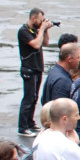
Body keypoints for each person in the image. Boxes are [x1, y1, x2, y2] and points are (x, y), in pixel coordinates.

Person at [18, 8, 53, 137]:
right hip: (29, 68)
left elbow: (45, 43)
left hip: (37, 67)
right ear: (33, 18)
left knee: (34, 98)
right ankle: (22, 127)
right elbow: (36, 45)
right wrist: (42, 29)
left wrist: (46, 30)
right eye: (40, 19)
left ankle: (30, 122)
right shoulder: (23, 31)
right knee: (28, 98)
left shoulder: (37, 30)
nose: (41, 22)